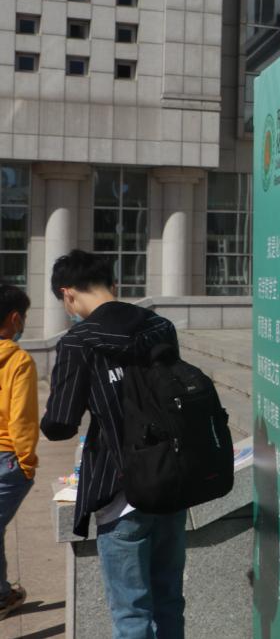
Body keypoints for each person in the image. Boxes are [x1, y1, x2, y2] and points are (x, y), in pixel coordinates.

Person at [40, 250, 187, 638]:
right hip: (170, 483)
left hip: (120, 490)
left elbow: (61, 424)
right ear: (113, 285)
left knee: (131, 615)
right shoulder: (161, 327)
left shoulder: (78, 342)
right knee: (169, 602)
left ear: (67, 293)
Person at [0, 285, 38, 618]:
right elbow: (22, 419)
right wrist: (27, 463)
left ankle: (2, 594)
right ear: (14, 319)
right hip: (6, 458)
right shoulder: (18, 361)